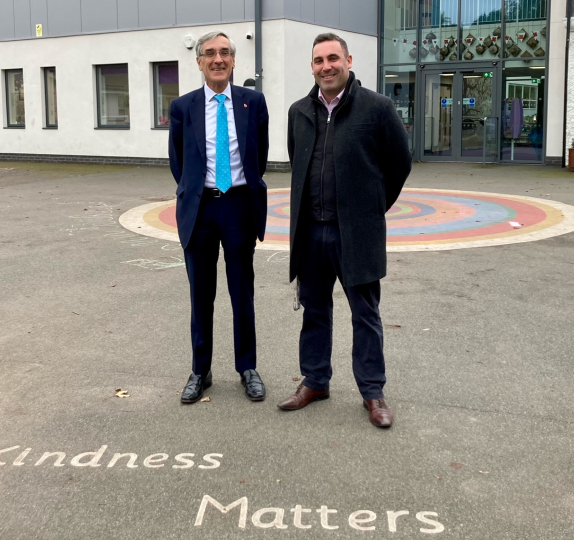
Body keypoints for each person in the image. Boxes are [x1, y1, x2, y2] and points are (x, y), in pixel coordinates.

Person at [278, 33, 412, 427]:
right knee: (314, 312)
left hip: (357, 233)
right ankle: (315, 381)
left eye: (333, 58)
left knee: (365, 315)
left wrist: (373, 206)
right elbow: (296, 160)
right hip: (312, 232)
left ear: (349, 60)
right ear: (312, 67)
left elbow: (400, 162)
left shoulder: (377, 108)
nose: (326, 66)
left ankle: (372, 392)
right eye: (319, 60)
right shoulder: (299, 111)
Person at [168, 31, 269, 404]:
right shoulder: (183, 107)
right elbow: (179, 164)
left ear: (233, 60)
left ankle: (248, 368)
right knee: (201, 295)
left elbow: (259, 155)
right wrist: (198, 191)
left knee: (242, 292)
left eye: (224, 52)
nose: (218, 59)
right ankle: (200, 370)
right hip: (201, 210)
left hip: (240, 206)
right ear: (199, 62)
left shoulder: (253, 103)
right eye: (210, 53)